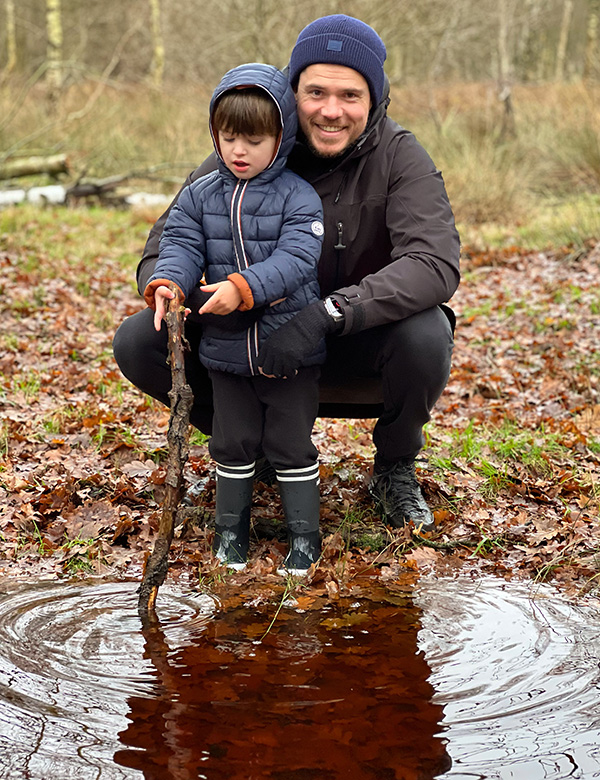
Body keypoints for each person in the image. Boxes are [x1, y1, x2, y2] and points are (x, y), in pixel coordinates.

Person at [113, 14, 460, 536]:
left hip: (353, 336)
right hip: (253, 340)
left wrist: (330, 313)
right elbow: (172, 234)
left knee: (427, 333)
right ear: (293, 90)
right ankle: (254, 449)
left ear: (375, 99)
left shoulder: (400, 157)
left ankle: (393, 468)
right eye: (316, 91)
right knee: (142, 338)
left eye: (350, 95)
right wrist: (165, 281)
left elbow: (434, 263)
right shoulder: (255, 143)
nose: (330, 110)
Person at [143, 62, 327, 573]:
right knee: (231, 440)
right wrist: (168, 283)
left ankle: (305, 538)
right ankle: (230, 535)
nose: (239, 151)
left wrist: (243, 288)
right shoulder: (201, 195)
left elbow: (297, 259)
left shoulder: (298, 195)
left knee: (289, 442)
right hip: (225, 351)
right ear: (215, 136)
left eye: (253, 140)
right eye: (228, 138)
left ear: (281, 138)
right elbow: (178, 244)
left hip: (288, 348)